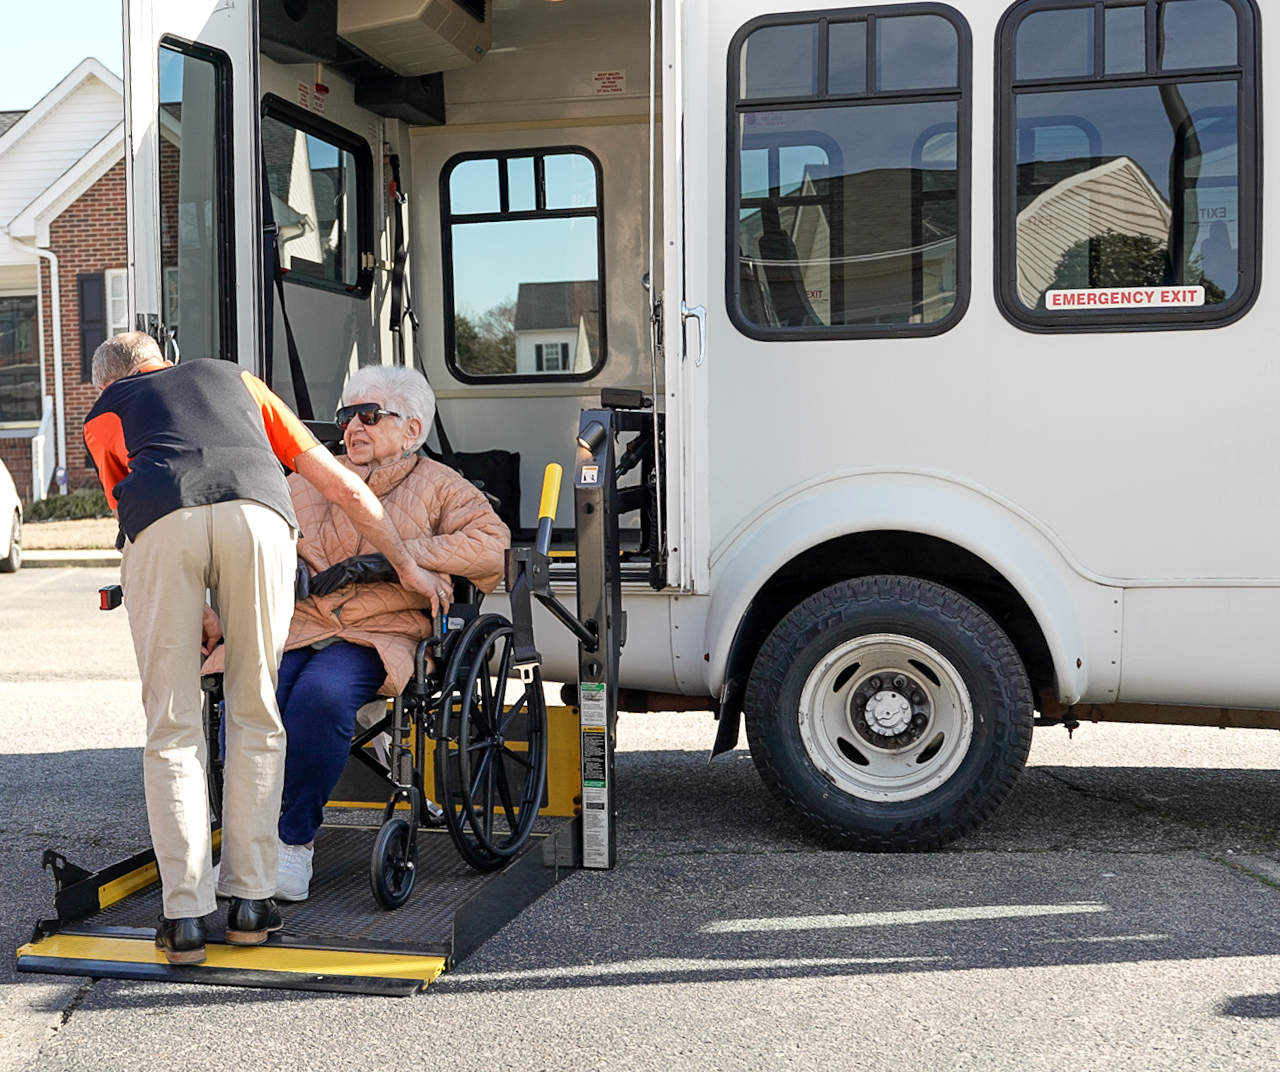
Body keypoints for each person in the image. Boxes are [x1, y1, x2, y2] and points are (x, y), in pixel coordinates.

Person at [83, 333, 447, 965]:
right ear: (166, 357)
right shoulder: (238, 381)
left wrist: (193, 602)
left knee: (172, 726)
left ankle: (185, 917)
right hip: (262, 516)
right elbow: (345, 489)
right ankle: (251, 903)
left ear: (107, 381)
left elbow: (141, 513)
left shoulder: (109, 409)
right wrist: (409, 567)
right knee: (257, 710)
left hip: (164, 522)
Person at [204, 364, 509, 902]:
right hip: (300, 621)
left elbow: (493, 548)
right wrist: (291, 555)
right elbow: (263, 528)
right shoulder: (312, 476)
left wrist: (388, 561)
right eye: (347, 416)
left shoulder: (440, 485)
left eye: (370, 415)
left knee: (319, 698)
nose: (353, 427)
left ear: (412, 428)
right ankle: (249, 845)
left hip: (381, 629)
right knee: (249, 695)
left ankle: (293, 843)